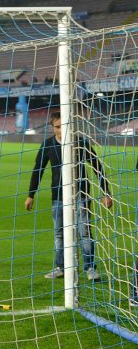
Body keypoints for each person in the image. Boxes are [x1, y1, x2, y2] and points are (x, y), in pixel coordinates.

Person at [24, 113, 112, 281]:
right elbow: (38, 171)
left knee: (84, 231)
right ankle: (61, 267)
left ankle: (90, 269)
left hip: (81, 194)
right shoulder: (48, 145)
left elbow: (97, 167)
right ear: (52, 127)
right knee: (59, 234)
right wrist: (31, 195)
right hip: (58, 196)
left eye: (63, 126)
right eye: (57, 127)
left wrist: (106, 192)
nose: (61, 130)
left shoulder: (80, 143)